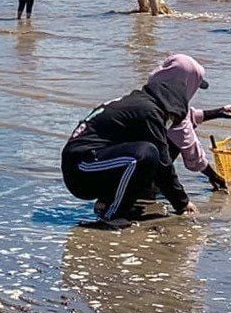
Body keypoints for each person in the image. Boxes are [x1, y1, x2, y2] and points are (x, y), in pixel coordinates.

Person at [61, 66, 198, 227]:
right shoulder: (150, 112)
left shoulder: (139, 103)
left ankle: (107, 202)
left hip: (88, 163)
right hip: (80, 168)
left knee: (143, 155)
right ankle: (112, 214)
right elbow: (163, 163)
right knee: (146, 155)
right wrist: (182, 203)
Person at [146, 53, 231, 192]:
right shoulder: (172, 114)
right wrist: (213, 176)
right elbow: (190, 148)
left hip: (115, 157)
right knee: (175, 143)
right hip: (133, 165)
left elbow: (185, 118)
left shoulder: (152, 92)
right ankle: (149, 185)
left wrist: (218, 112)